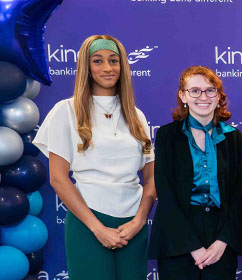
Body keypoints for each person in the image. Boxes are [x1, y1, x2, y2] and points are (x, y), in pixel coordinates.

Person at [33, 34, 155, 279]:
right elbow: (58, 178)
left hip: (133, 226)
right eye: (97, 61)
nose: (107, 68)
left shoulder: (136, 115)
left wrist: (140, 221)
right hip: (88, 223)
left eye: (114, 60)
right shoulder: (65, 111)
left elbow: (151, 178)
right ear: (86, 68)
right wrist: (98, 229)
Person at [148, 66, 242, 279]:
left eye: (210, 90)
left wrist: (222, 241)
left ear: (219, 96)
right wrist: (192, 245)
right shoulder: (168, 135)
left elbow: (237, 195)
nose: (203, 96)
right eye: (195, 91)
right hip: (178, 237)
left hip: (221, 238)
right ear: (183, 96)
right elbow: (166, 194)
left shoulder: (233, 137)